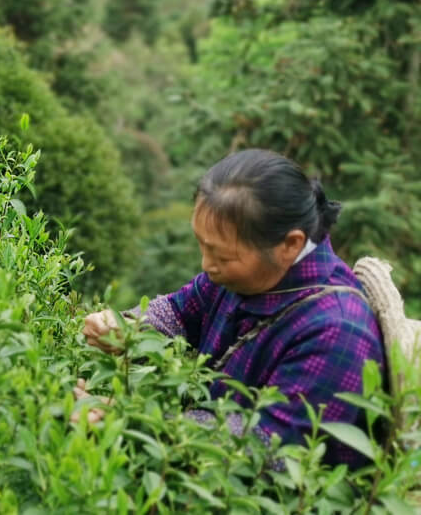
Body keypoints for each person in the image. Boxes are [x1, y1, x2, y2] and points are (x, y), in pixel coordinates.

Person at [76, 149, 385, 469]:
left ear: (290, 245)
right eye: (203, 246)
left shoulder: (337, 332)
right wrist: (124, 329)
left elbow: (265, 447)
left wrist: (126, 418)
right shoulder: (245, 275)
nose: (206, 265)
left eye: (223, 257)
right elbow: (178, 313)